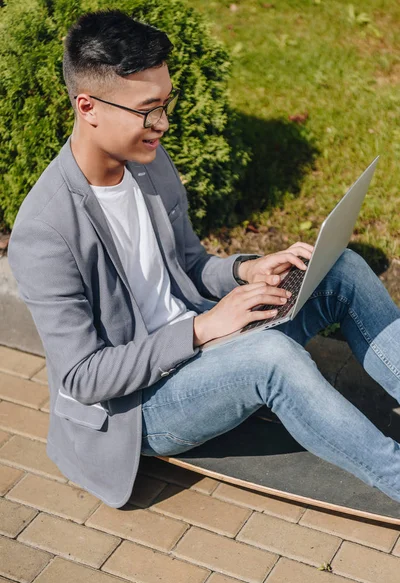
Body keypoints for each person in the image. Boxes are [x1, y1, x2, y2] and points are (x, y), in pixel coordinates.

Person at [8, 9, 400, 508]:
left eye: (165, 105)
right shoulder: (45, 231)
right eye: (148, 110)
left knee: (340, 271)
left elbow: (188, 262)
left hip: (205, 344)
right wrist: (203, 329)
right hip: (137, 409)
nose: (162, 125)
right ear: (89, 107)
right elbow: (83, 377)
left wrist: (247, 269)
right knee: (270, 358)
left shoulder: (146, 162)